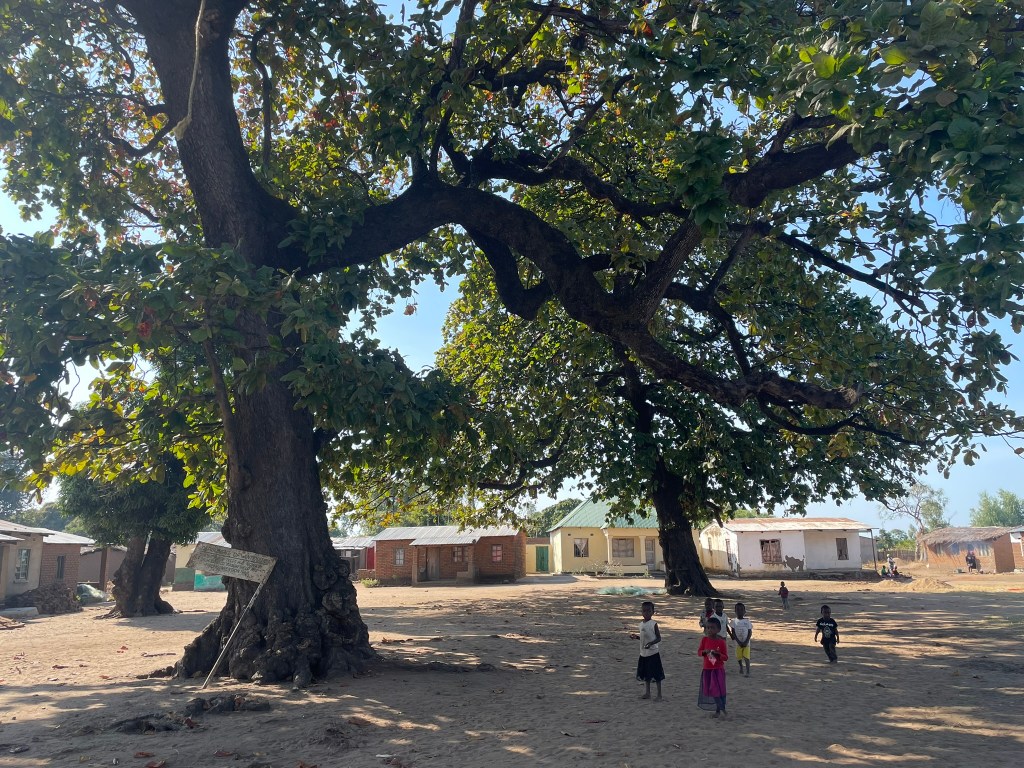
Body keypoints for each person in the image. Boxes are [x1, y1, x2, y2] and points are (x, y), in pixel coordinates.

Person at [697, 617, 729, 718]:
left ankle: (722, 709)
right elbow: (699, 652)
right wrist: (704, 652)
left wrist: (718, 654)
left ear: (718, 629)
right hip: (707, 670)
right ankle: (718, 710)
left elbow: (725, 657)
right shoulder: (704, 640)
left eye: (712, 628)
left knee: (717, 690)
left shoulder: (721, 642)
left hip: (717, 670)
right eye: (708, 628)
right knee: (711, 690)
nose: (709, 630)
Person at [635, 600, 664, 700]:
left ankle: (659, 695)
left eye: (649, 611)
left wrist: (651, 643)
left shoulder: (653, 624)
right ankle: (648, 693)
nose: (646, 613)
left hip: (653, 653)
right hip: (643, 653)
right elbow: (643, 638)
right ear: (641, 612)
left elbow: (658, 638)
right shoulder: (641, 624)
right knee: (646, 673)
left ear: (653, 612)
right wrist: (636, 637)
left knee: (656, 674)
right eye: (644, 611)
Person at [728, 602, 753, 677]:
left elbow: (749, 632)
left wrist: (746, 641)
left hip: (746, 643)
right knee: (739, 657)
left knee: (746, 657)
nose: (740, 611)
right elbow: (733, 632)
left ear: (745, 611)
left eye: (741, 610)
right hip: (737, 643)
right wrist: (738, 641)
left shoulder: (747, 621)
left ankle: (748, 671)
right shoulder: (733, 622)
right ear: (735, 611)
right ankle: (741, 666)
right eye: (738, 610)